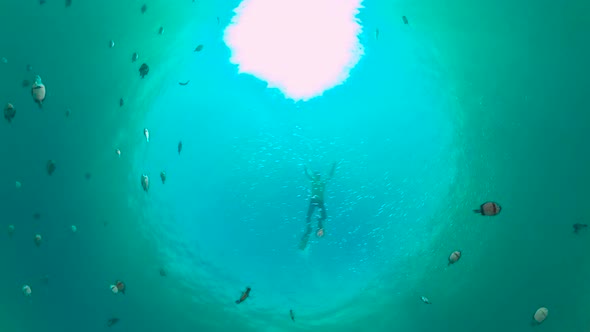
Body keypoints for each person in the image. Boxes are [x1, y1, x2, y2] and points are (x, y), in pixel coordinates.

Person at [300, 162, 337, 249]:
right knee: (314, 217)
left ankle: (318, 229)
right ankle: (312, 231)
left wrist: (333, 166)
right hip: (317, 201)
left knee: (318, 217)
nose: (318, 176)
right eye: (318, 175)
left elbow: (329, 175)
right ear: (318, 175)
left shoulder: (318, 180)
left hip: (317, 201)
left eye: (318, 175)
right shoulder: (317, 180)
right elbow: (308, 174)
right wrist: (305, 167)